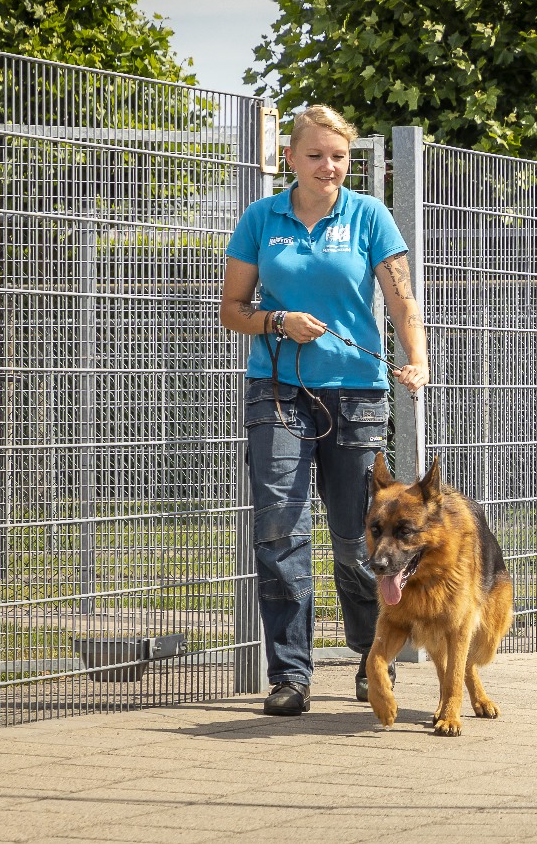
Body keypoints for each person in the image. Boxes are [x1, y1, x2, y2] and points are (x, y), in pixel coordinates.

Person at [219, 105, 430, 716]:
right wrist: (277, 321)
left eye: (337, 156)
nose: (328, 166)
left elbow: (401, 299)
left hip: (358, 394)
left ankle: (373, 663)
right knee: (280, 532)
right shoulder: (262, 219)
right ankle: (291, 675)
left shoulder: (370, 215)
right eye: (314, 155)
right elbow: (232, 308)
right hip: (277, 390)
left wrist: (415, 359)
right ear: (290, 158)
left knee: (357, 537)